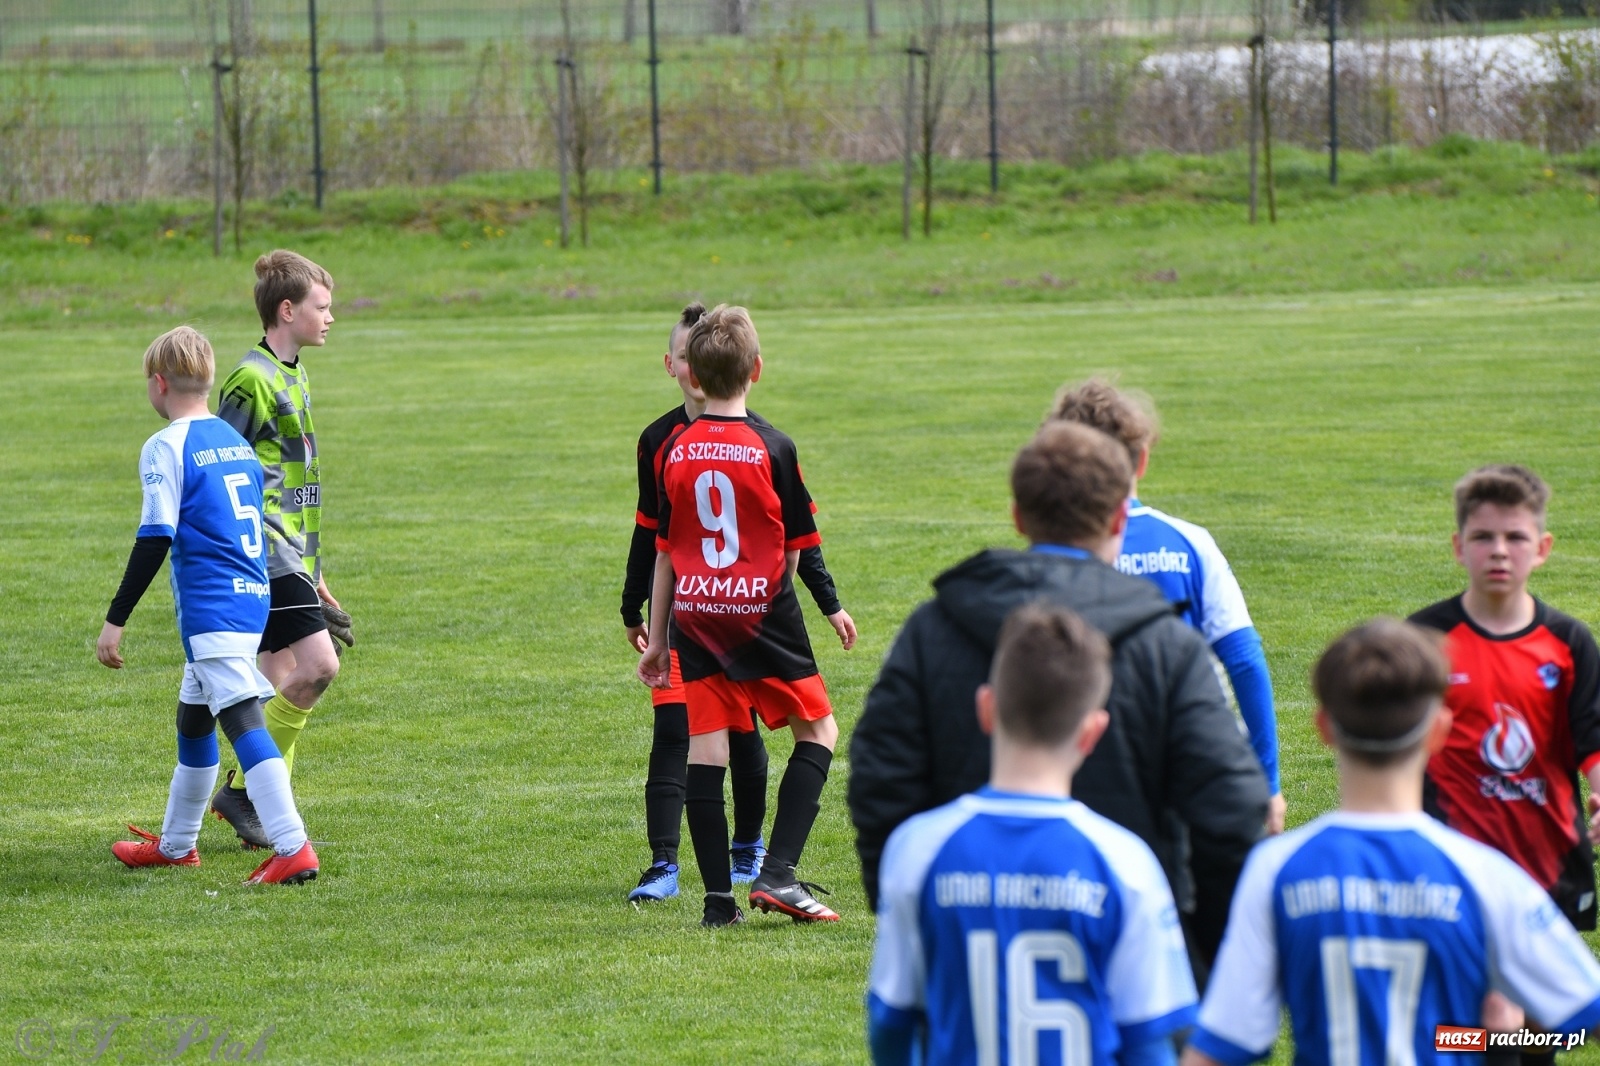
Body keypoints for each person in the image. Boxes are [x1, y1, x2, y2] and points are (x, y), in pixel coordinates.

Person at [849, 421, 1267, 978]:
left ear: (1019, 516)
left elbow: (880, 777)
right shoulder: (1167, 646)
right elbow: (1232, 805)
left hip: (973, 950)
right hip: (1133, 954)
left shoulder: (934, 630)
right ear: (1121, 518)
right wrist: (1198, 945)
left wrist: (913, 913)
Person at [1183, 620, 1600, 1066]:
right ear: (1440, 731)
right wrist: (1502, 1040)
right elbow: (1582, 1016)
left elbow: (1220, 1046)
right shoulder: (1488, 876)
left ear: (1324, 727)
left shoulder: (1274, 869)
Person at [868, 603, 1198, 1066]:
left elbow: (891, 1023)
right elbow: (1147, 1044)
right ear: (1092, 732)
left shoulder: (919, 847)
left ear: (986, 708)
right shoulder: (1125, 862)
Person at [621, 301, 856, 903]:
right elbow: (796, 548)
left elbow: (666, 550)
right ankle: (777, 873)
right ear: (757, 369)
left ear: (692, 375)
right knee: (820, 730)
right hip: (759, 611)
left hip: (695, 612)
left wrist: (660, 636)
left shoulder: (674, 448)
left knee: (708, 745)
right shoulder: (774, 446)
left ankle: (718, 903)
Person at [97, 325, 318, 885]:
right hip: (251, 595)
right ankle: (176, 845)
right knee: (193, 722)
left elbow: (155, 537)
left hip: (213, 607)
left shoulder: (166, 445)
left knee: (241, 718)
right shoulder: (231, 439)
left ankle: (292, 846)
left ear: (157, 383)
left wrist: (115, 620)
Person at [1050, 379, 1284, 834]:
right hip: (1191, 760)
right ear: (1142, 458)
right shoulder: (1189, 542)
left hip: (1086, 769)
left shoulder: (1053, 554)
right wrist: (1267, 783)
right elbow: (1244, 659)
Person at [1409, 465, 1600, 932]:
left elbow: (1591, 740)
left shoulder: (1569, 642)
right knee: (1464, 1004)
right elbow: (1396, 747)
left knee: (1540, 1007)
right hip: (1450, 866)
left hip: (1550, 865)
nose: (1498, 551)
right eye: (1482, 537)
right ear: (1458, 547)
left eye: (1515, 537)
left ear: (1542, 549)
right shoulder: (1423, 638)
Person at [209, 250, 349, 849]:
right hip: (264, 551)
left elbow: (294, 481)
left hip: (294, 555)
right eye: (322, 307)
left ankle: (260, 820)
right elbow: (218, 470)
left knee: (278, 679)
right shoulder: (251, 380)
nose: (330, 318)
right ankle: (240, 791)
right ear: (286, 310)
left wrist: (316, 573)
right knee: (319, 668)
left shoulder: (293, 373)